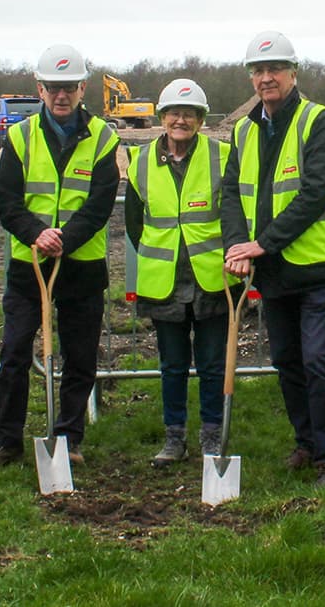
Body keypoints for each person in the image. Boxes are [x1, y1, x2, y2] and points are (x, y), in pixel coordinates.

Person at [0, 45, 118, 468]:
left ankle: (69, 438)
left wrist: (65, 239)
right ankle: (6, 441)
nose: (61, 95)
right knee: (15, 352)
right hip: (29, 266)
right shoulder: (20, 137)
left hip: (82, 266)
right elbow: (8, 200)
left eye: (69, 87)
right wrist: (38, 235)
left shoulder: (104, 138)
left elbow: (100, 202)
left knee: (80, 357)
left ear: (82, 88)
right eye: (53, 87)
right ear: (40, 88)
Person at [221, 31, 325, 487]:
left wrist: (263, 243)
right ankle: (306, 441)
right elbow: (232, 193)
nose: (265, 77)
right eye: (258, 70)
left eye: (274, 68)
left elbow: (315, 192)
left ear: (293, 73)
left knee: (318, 361)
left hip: (317, 265)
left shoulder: (320, 122)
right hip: (273, 270)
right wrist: (239, 246)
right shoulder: (243, 128)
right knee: (288, 361)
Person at [126, 79, 234, 466]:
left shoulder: (222, 156)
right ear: (162, 117)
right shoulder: (140, 160)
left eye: (189, 114)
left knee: (210, 364)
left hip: (212, 278)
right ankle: (174, 438)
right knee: (171, 364)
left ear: (201, 120)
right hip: (163, 281)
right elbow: (134, 222)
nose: (181, 120)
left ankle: (211, 434)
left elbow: (232, 213)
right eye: (174, 113)